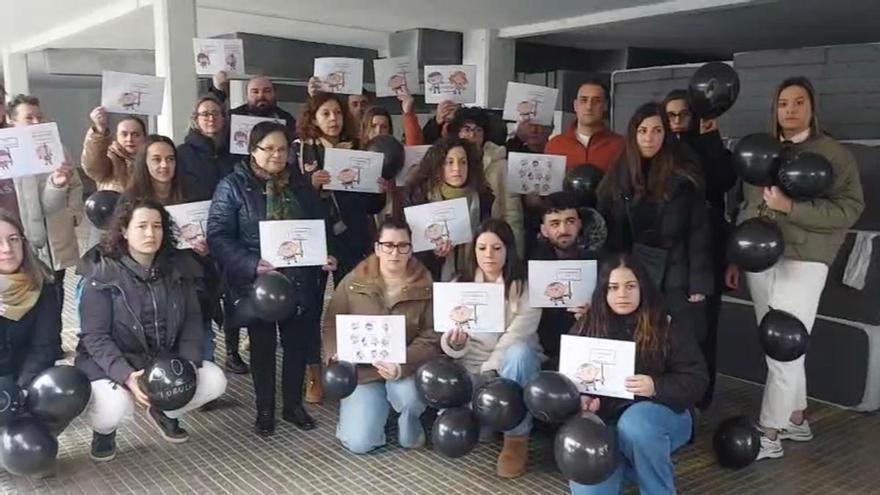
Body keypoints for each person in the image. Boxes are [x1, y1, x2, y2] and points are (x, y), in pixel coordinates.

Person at [725, 77, 864, 460]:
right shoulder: (763, 150)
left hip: (803, 260)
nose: (789, 110)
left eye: (798, 102)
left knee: (782, 347)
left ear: (811, 108)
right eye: (783, 103)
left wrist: (792, 209)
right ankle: (797, 418)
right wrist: (739, 255)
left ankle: (770, 433)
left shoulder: (833, 153)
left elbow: (849, 209)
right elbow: (747, 206)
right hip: (759, 258)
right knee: (779, 345)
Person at [207, 121, 336, 436]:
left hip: (299, 280)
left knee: (296, 345)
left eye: (283, 149)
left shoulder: (301, 185)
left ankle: (292, 406)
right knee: (262, 348)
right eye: (269, 149)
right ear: (253, 150)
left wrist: (323, 256)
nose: (278, 155)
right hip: (257, 282)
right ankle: (264, 409)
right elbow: (219, 236)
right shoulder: (232, 186)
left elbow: (318, 226)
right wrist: (252, 264)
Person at [76, 196, 227, 462]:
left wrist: (188, 364)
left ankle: (165, 411)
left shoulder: (178, 269)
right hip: (112, 364)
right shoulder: (102, 273)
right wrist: (125, 375)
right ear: (124, 230)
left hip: (159, 361)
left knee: (214, 380)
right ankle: (104, 431)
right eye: (142, 226)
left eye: (157, 226)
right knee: (115, 407)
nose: (150, 233)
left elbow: (192, 320)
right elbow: (94, 337)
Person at [569, 253, 708, 495]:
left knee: (636, 426)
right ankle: (632, 466)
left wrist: (656, 386)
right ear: (604, 292)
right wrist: (582, 400)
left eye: (630, 286)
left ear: (642, 288)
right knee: (590, 488)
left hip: (662, 413)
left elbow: (697, 380)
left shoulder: (667, 326)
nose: (622, 294)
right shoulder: (587, 325)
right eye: (614, 287)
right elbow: (570, 379)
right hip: (608, 421)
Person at [599, 102, 713, 351]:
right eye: (642, 131)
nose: (649, 138)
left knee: (679, 340)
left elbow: (699, 232)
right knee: (637, 338)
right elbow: (610, 229)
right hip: (632, 268)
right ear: (633, 134)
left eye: (657, 130)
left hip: (675, 266)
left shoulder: (684, 175)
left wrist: (698, 285)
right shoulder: (619, 174)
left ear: (666, 134)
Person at [322, 217, 438, 454]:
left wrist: (401, 363)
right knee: (360, 443)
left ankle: (409, 422)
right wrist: (336, 354)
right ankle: (369, 415)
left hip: (405, 369)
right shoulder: (354, 281)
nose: (395, 253)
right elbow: (331, 322)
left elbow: (432, 336)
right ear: (377, 248)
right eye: (388, 245)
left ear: (411, 249)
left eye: (402, 246)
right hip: (365, 372)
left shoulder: (426, 284)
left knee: (408, 396)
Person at [440, 219, 542, 478]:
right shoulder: (458, 284)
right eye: (482, 248)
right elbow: (445, 335)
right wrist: (454, 344)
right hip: (472, 365)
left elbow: (515, 336)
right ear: (474, 250)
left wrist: (491, 370)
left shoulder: (525, 288)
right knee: (480, 432)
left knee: (519, 351)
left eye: (497, 248)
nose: (489, 255)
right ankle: (484, 417)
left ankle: (516, 438)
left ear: (508, 250)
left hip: (508, 367)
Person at [662, 89, 736, 409]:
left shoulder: (710, 147)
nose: (677, 122)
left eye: (684, 114)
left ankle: (700, 397)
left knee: (703, 328)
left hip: (707, 253)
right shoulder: (659, 152)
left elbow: (722, 182)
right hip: (667, 255)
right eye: (670, 116)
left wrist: (710, 139)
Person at [176, 95, 243, 374]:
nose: (211, 118)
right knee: (205, 296)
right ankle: (205, 357)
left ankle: (233, 351)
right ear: (195, 119)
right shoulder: (183, 153)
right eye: (205, 114)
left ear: (224, 118)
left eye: (216, 113)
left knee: (233, 294)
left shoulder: (235, 152)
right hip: (198, 236)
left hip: (230, 231)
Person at [7, 94, 83, 302]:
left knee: (54, 299)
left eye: (39, 117)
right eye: (29, 118)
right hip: (14, 242)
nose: (36, 123)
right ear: (12, 121)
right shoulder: (6, 153)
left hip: (53, 239)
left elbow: (75, 186)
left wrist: (73, 211)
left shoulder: (57, 149)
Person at [403, 137, 495, 281]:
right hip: (428, 280)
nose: (457, 168)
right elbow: (408, 248)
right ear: (438, 165)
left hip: (472, 278)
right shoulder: (419, 197)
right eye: (449, 162)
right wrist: (434, 254)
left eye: (463, 162)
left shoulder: (482, 198)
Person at [531, 192, 599, 366]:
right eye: (555, 224)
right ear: (544, 231)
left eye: (570, 221)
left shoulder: (599, 264)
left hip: (589, 350)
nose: (563, 230)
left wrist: (595, 314)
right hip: (542, 352)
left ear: (579, 224)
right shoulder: (531, 267)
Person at [448, 107, 525, 257]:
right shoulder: (448, 163)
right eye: (466, 129)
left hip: (493, 241)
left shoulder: (500, 164)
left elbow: (512, 213)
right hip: (458, 245)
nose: (472, 135)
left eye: (478, 130)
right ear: (457, 133)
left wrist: (515, 254)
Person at [0, 209, 62, 388]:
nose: (7, 249)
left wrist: (18, 392)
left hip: (25, 382)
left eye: (13, 239)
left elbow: (43, 348)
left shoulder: (43, 284)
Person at [545, 81, 624, 172]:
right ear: (575, 105)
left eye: (596, 101)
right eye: (584, 100)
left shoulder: (621, 146)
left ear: (605, 106)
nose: (589, 107)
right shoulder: (555, 145)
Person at [82, 106, 146, 193]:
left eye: (136, 135)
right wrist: (100, 130)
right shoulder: (109, 158)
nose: (129, 139)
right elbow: (92, 164)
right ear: (116, 137)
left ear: (144, 137)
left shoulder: (150, 160)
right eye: (124, 134)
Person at [211, 73, 297, 138]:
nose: (261, 96)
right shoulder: (232, 117)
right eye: (255, 92)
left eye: (267, 91)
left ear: (274, 94)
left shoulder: (287, 119)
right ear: (247, 95)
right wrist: (219, 93)